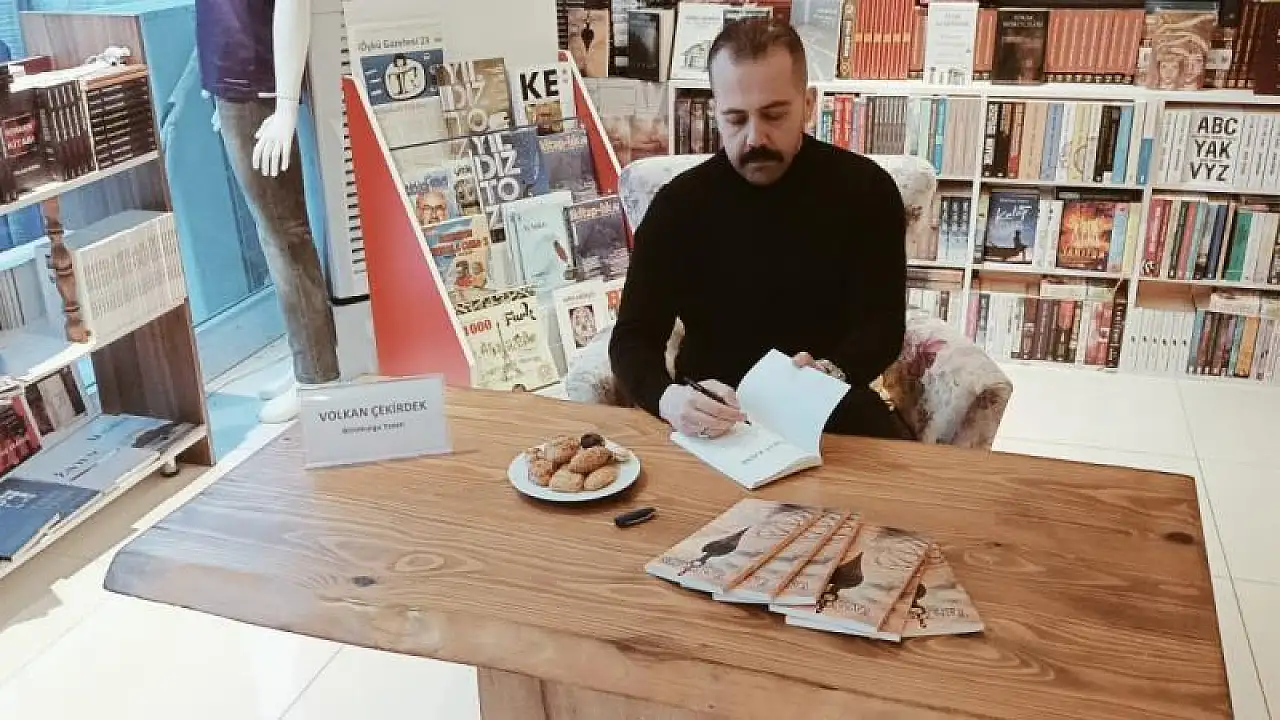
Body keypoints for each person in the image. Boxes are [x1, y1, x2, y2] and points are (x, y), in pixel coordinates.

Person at [609, 19, 910, 441]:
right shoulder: (678, 206)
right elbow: (633, 336)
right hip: (713, 419)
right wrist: (668, 399)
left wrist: (832, 372)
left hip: (831, 406)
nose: (755, 139)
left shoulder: (866, 190)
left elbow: (882, 325)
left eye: (774, 115)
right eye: (735, 119)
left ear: (808, 105)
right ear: (715, 112)